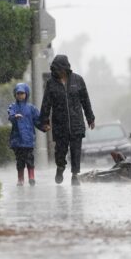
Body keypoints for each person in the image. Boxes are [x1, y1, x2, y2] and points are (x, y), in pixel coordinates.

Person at [40, 55, 95, 186]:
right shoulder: (51, 83)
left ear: (66, 68)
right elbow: (46, 103)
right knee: (60, 152)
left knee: (76, 151)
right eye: (55, 69)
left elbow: (85, 101)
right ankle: (60, 168)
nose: (58, 72)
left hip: (77, 124)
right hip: (60, 125)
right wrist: (45, 121)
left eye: (60, 69)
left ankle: (75, 175)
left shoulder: (78, 80)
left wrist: (90, 118)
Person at [8, 83, 44, 186]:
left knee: (29, 159)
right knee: (20, 161)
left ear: (26, 94)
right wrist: (15, 116)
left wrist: (43, 127)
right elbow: (10, 115)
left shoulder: (31, 108)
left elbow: (37, 121)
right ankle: (20, 178)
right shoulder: (13, 107)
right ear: (15, 94)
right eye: (18, 93)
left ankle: (31, 177)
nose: (20, 96)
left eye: (22, 93)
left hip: (28, 140)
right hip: (17, 140)